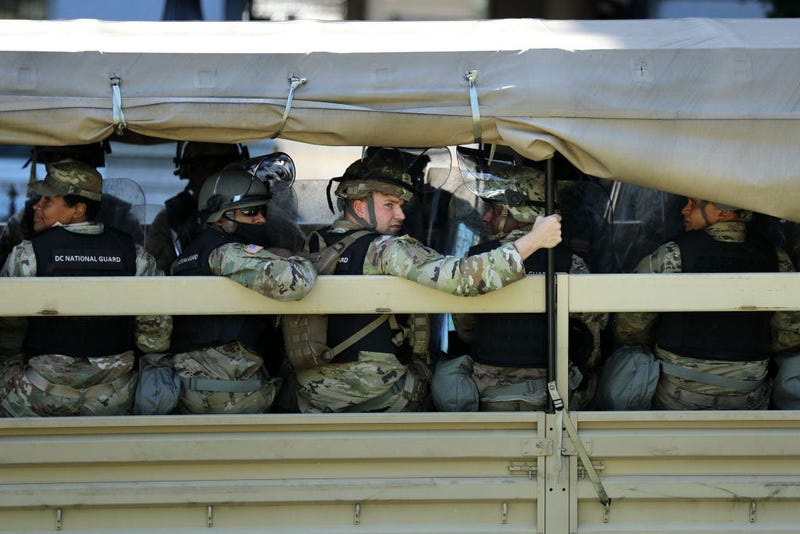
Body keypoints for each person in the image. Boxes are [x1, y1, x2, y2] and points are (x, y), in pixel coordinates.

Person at [290, 148, 563, 414]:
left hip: (315, 394)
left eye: (401, 206)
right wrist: (534, 241)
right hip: (381, 394)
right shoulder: (385, 249)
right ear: (359, 206)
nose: (402, 215)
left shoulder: (314, 243)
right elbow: (462, 279)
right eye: (390, 205)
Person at [0, 160, 171, 417]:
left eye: (48, 201)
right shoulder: (135, 255)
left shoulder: (29, 253)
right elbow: (154, 338)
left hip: (39, 397)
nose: (36, 206)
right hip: (115, 398)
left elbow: (9, 335)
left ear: (78, 209)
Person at [441, 160, 607, 411]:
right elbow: (593, 334)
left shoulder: (478, 260)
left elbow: (465, 328)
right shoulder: (571, 262)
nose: (485, 216)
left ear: (520, 214)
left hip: (488, 392)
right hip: (554, 393)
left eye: (495, 210)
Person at [606, 197, 800, 410]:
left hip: (675, 396)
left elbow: (629, 329)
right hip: (749, 396)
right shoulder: (778, 259)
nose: (684, 210)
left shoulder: (671, 255)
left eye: (695, 204)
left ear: (725, 212)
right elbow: (789, 336)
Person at [169, 157, 317, 414]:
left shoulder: (193, 253)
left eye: (262, 211)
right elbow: (298, 281)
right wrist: (289, 256)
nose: (260, 219)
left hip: (197, 390)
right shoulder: (227, 253)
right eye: (250, 212)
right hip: (232, 396)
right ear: (221, 217)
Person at [145, 141, 248, 273]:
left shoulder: (256, 215)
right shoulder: (172, 219)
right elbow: (154, 273)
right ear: (188, 171)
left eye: (223, 165)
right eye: (203, 165)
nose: (213, 173)